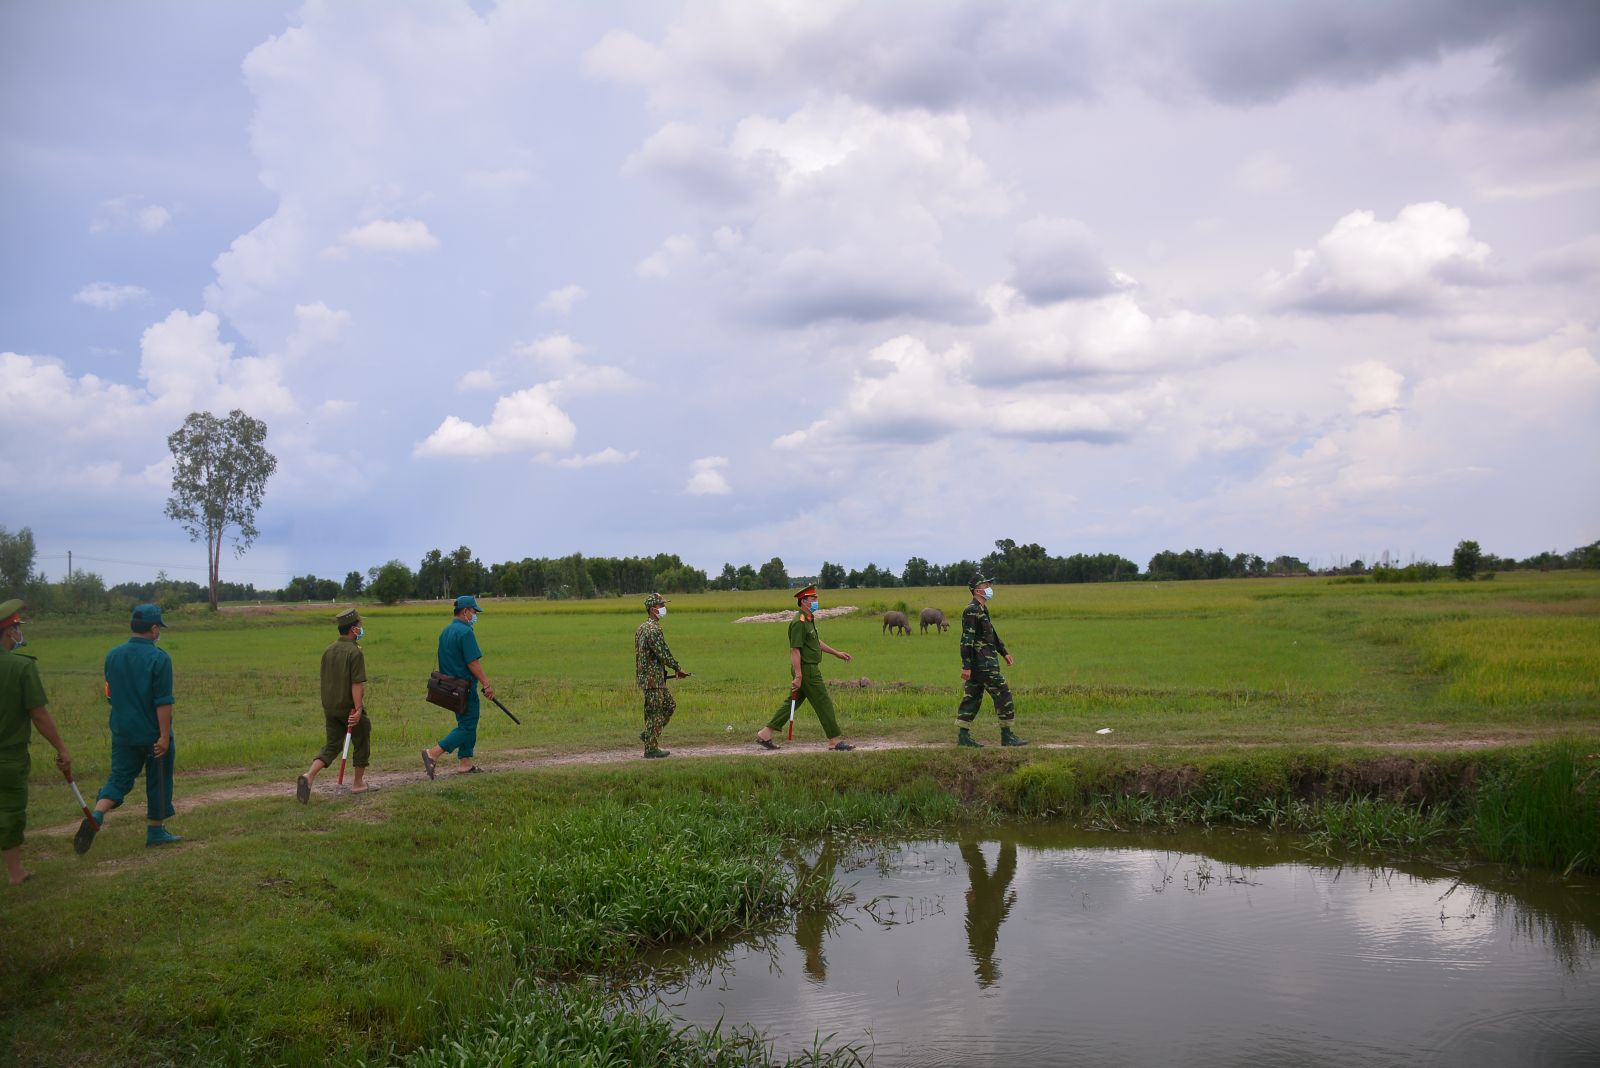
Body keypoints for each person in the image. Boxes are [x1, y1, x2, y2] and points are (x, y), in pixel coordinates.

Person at [76, 603, 181, 854]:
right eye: (159, 628)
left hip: (122, 730)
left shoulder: (113, 655)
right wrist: (164, 736)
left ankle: (98, 814)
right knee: (158, 778)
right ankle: (156, 830)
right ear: (154, 629)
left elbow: (111, 694)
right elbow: (163, 702)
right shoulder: (160, 658)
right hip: (151, 732)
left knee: (120, 777)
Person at [1, 600, 74, 884]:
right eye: (17, 629)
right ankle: (16, 873)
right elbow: (39, 715)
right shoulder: (21, 667)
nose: (19, 635)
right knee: (9, 810)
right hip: (8, 756)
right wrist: (61, 748)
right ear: (9, 631)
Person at [755, 584, 855, 751]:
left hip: (806, 669)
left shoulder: (808, 619)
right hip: (806, 670)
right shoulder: (799, 622)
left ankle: (765, 733)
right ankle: (834, 741)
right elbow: (794, 649)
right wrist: (799, 675)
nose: (816, 601)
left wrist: (836, 653)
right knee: (823, 702)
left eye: (816, 598)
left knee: (792, 702)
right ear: (803, 601)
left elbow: (815, 642)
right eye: (812, 599)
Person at [297, 608, 372, 802]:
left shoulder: (328, 650)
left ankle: (309, 776)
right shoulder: (354, 652)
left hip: (330, 707)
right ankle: (358, 783)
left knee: (332, 744)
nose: (361, 629)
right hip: (348, 708)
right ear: (353, 629)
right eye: (360, 626)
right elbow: (356, 684)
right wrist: (358, 709)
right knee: (362, 735)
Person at [422, 595, 495, 777]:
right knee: (468, 727)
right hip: (465, 688)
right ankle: (432, 754)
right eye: (474, 611)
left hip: (450, 688)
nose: (475, 615)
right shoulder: (466, 632)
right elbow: (473, 662)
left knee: (465, 723)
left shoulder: (446, 631)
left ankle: (465, 763)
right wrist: (486, 683)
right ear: (465, 612)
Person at [957, 575, 1026, 747]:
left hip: (980, 664)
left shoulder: (981, 609)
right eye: (985, 584)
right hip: (984, 664)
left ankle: (963, 737)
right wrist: (966, 666)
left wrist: (1004, 652)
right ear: (976, 589)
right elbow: (967, 640)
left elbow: (991, 634)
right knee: (1003, 694)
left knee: (972, 697)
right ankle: (1007, 735)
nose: (989, 587)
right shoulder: (971, 610)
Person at [635, 592, 689, 759]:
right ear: (652, 609)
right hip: (653, 679)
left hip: (650, 678)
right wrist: (677, 668)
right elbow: (662, 652)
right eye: (661, 606)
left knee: (669, 705)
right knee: (656, 712)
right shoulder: (653, 629)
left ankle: (649, 734)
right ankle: (650, 749)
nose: (664, 608)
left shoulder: (642, 628)